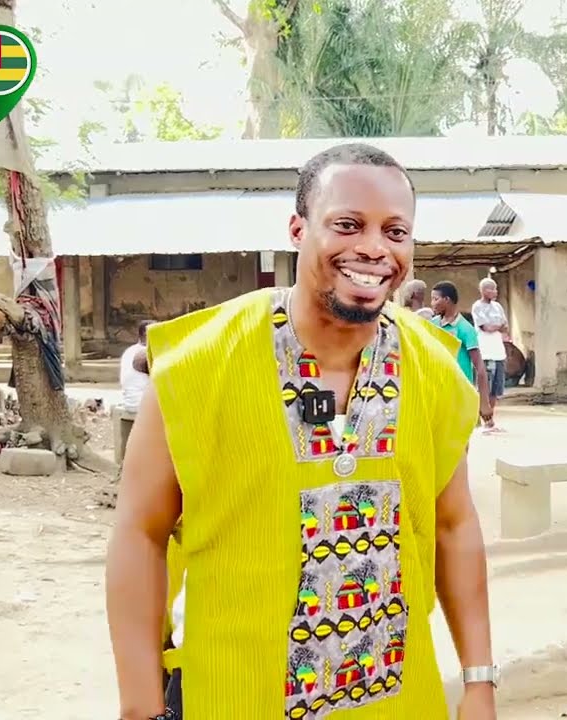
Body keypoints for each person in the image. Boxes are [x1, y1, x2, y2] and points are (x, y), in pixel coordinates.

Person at [106, 143, 499, 720]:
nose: (373, 248)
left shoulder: (435, 371)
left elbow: (453, 524)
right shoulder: (199, 364)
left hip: (395, 699)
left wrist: (479, 682)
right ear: (297, 228)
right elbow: (141, 533)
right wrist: (140, 704)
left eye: (396, 231)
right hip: (229, 693)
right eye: (347, 224)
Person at [431, 281, 492, 413]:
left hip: (459, 393)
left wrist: (484, 403)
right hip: (438, 392)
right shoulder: (433, 325)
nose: (432, 303)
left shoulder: (465, 329)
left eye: (435, 299)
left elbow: (480, 368)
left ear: (447, 300)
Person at [471, 278, 509, 432]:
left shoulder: (498, 306)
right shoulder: (477, 307)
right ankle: (483, 420)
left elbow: (505, 326)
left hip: (499, 352)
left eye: (495, 289)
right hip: (485, 353)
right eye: (492, 289)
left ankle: (490, 419)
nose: (495, 292)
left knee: (496, 390)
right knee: (484, 389)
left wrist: (497, 326)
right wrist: (497, 326)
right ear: (483, 291)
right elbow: (486, 327)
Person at [115, 320, 152, 464]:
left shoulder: (129, 351)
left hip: (129, 401)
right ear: (146, 335)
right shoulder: (145, 354)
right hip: (140, 404)